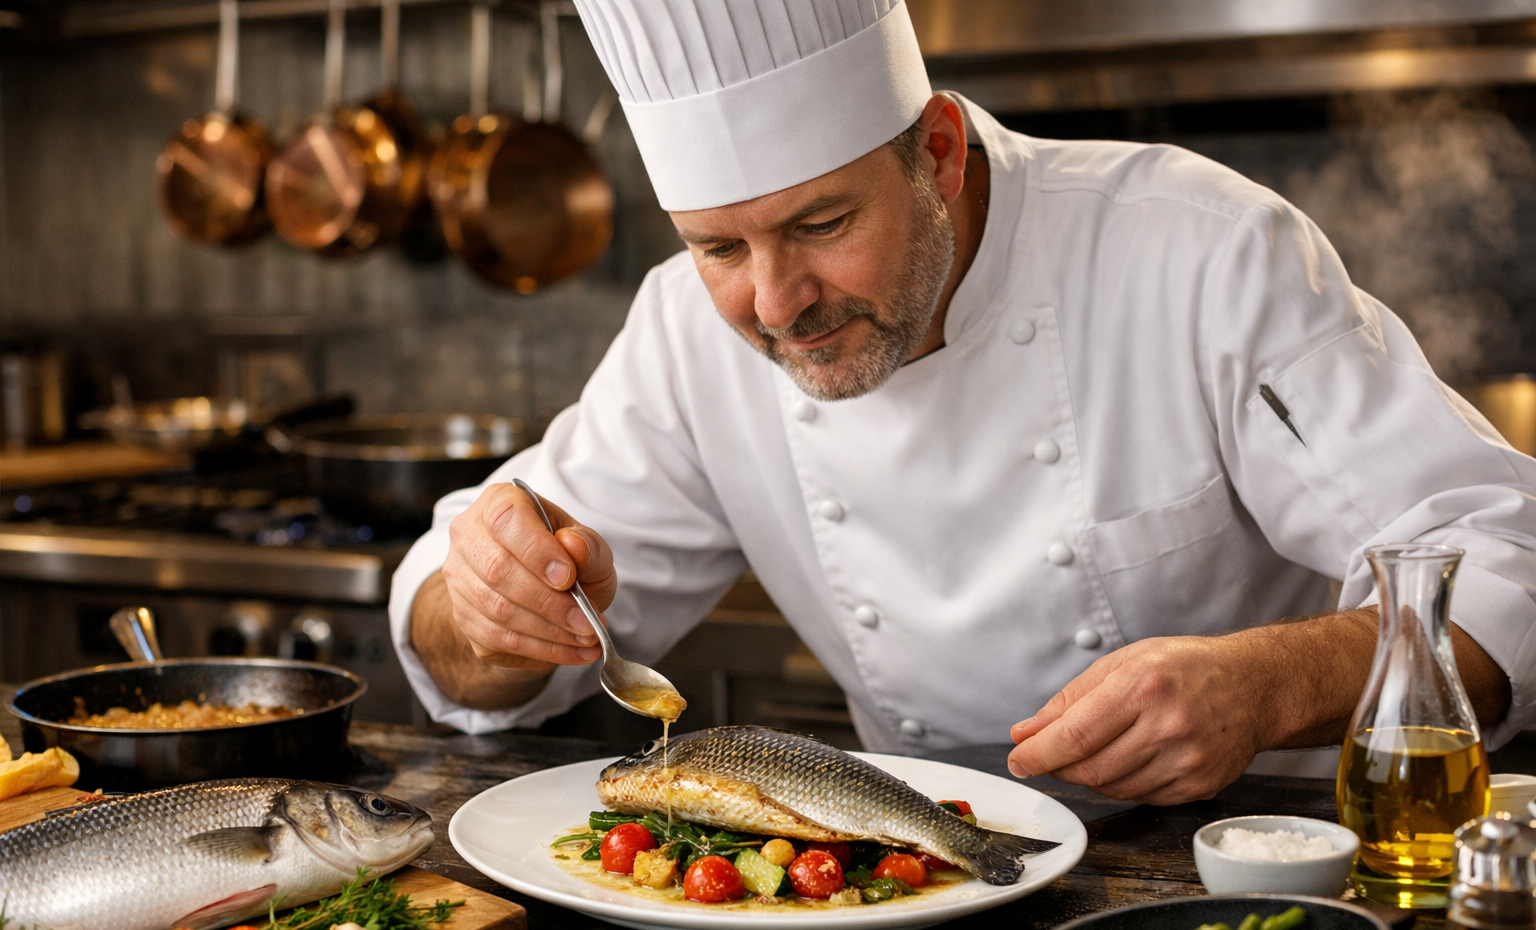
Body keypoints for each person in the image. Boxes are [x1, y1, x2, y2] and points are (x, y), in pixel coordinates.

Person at [389, 0, 1536, 805]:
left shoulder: (1199, 253)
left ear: (937, 150)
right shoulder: (689, 333)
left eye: (822, 225)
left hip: (1247, 872)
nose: (777, 301)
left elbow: (1502, 556)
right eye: (718, 247)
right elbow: (469, 672)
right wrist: (487, 608)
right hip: (914, 882)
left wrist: (1269, 683)